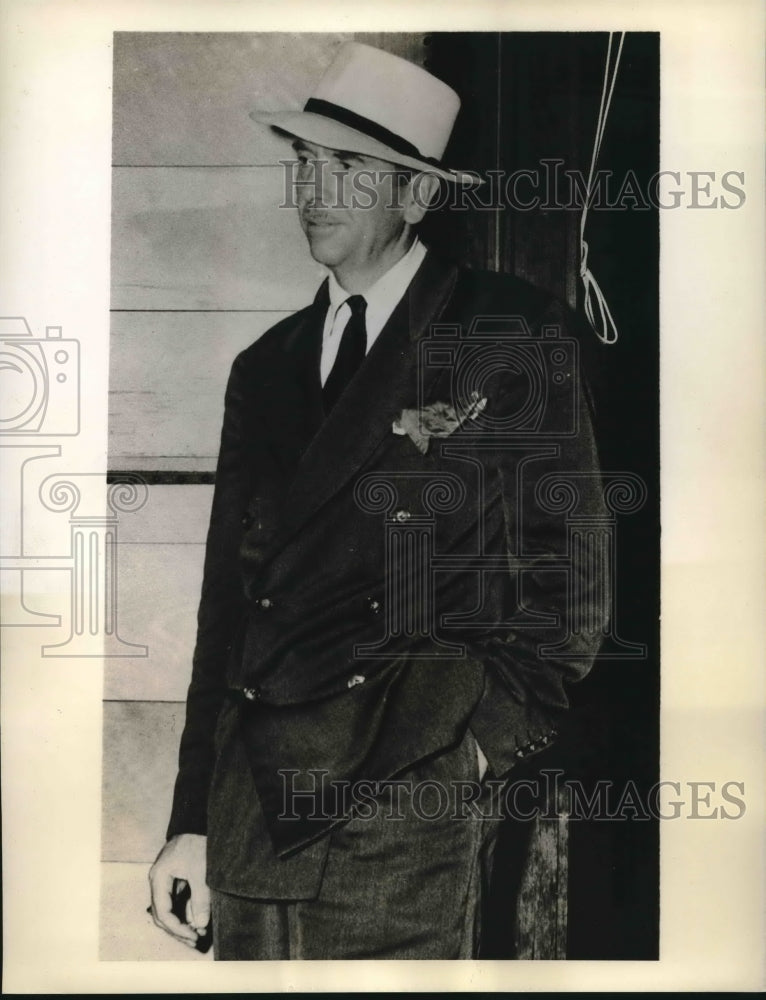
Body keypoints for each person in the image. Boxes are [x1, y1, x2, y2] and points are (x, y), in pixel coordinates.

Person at [149, 40, 608, 960]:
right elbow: (226, 610)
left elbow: (573, 591)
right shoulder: (265, 368)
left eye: (351, 168)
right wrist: (191, 816)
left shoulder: (504, 334)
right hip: (252, 816)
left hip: (404, 804)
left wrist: (472, 749)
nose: (316, 191)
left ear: (419, 194)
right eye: (306, 162)